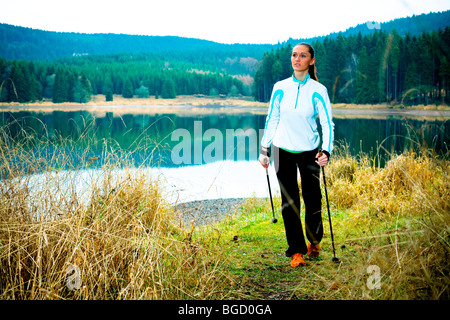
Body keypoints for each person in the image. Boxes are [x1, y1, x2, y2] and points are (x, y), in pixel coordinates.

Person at [259, 42, 334, 267]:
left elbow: (327, 123)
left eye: (302, 56)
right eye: (294, 55)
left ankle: (314, 240)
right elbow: (272, 118)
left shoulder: (318, 90)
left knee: (313, 199)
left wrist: (326, 152)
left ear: (311, 61)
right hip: (282, 151)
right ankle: (296, 251)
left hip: (309, 151)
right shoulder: (280, 87)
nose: (297, 59)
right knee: (288, 202)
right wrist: (265, 148)